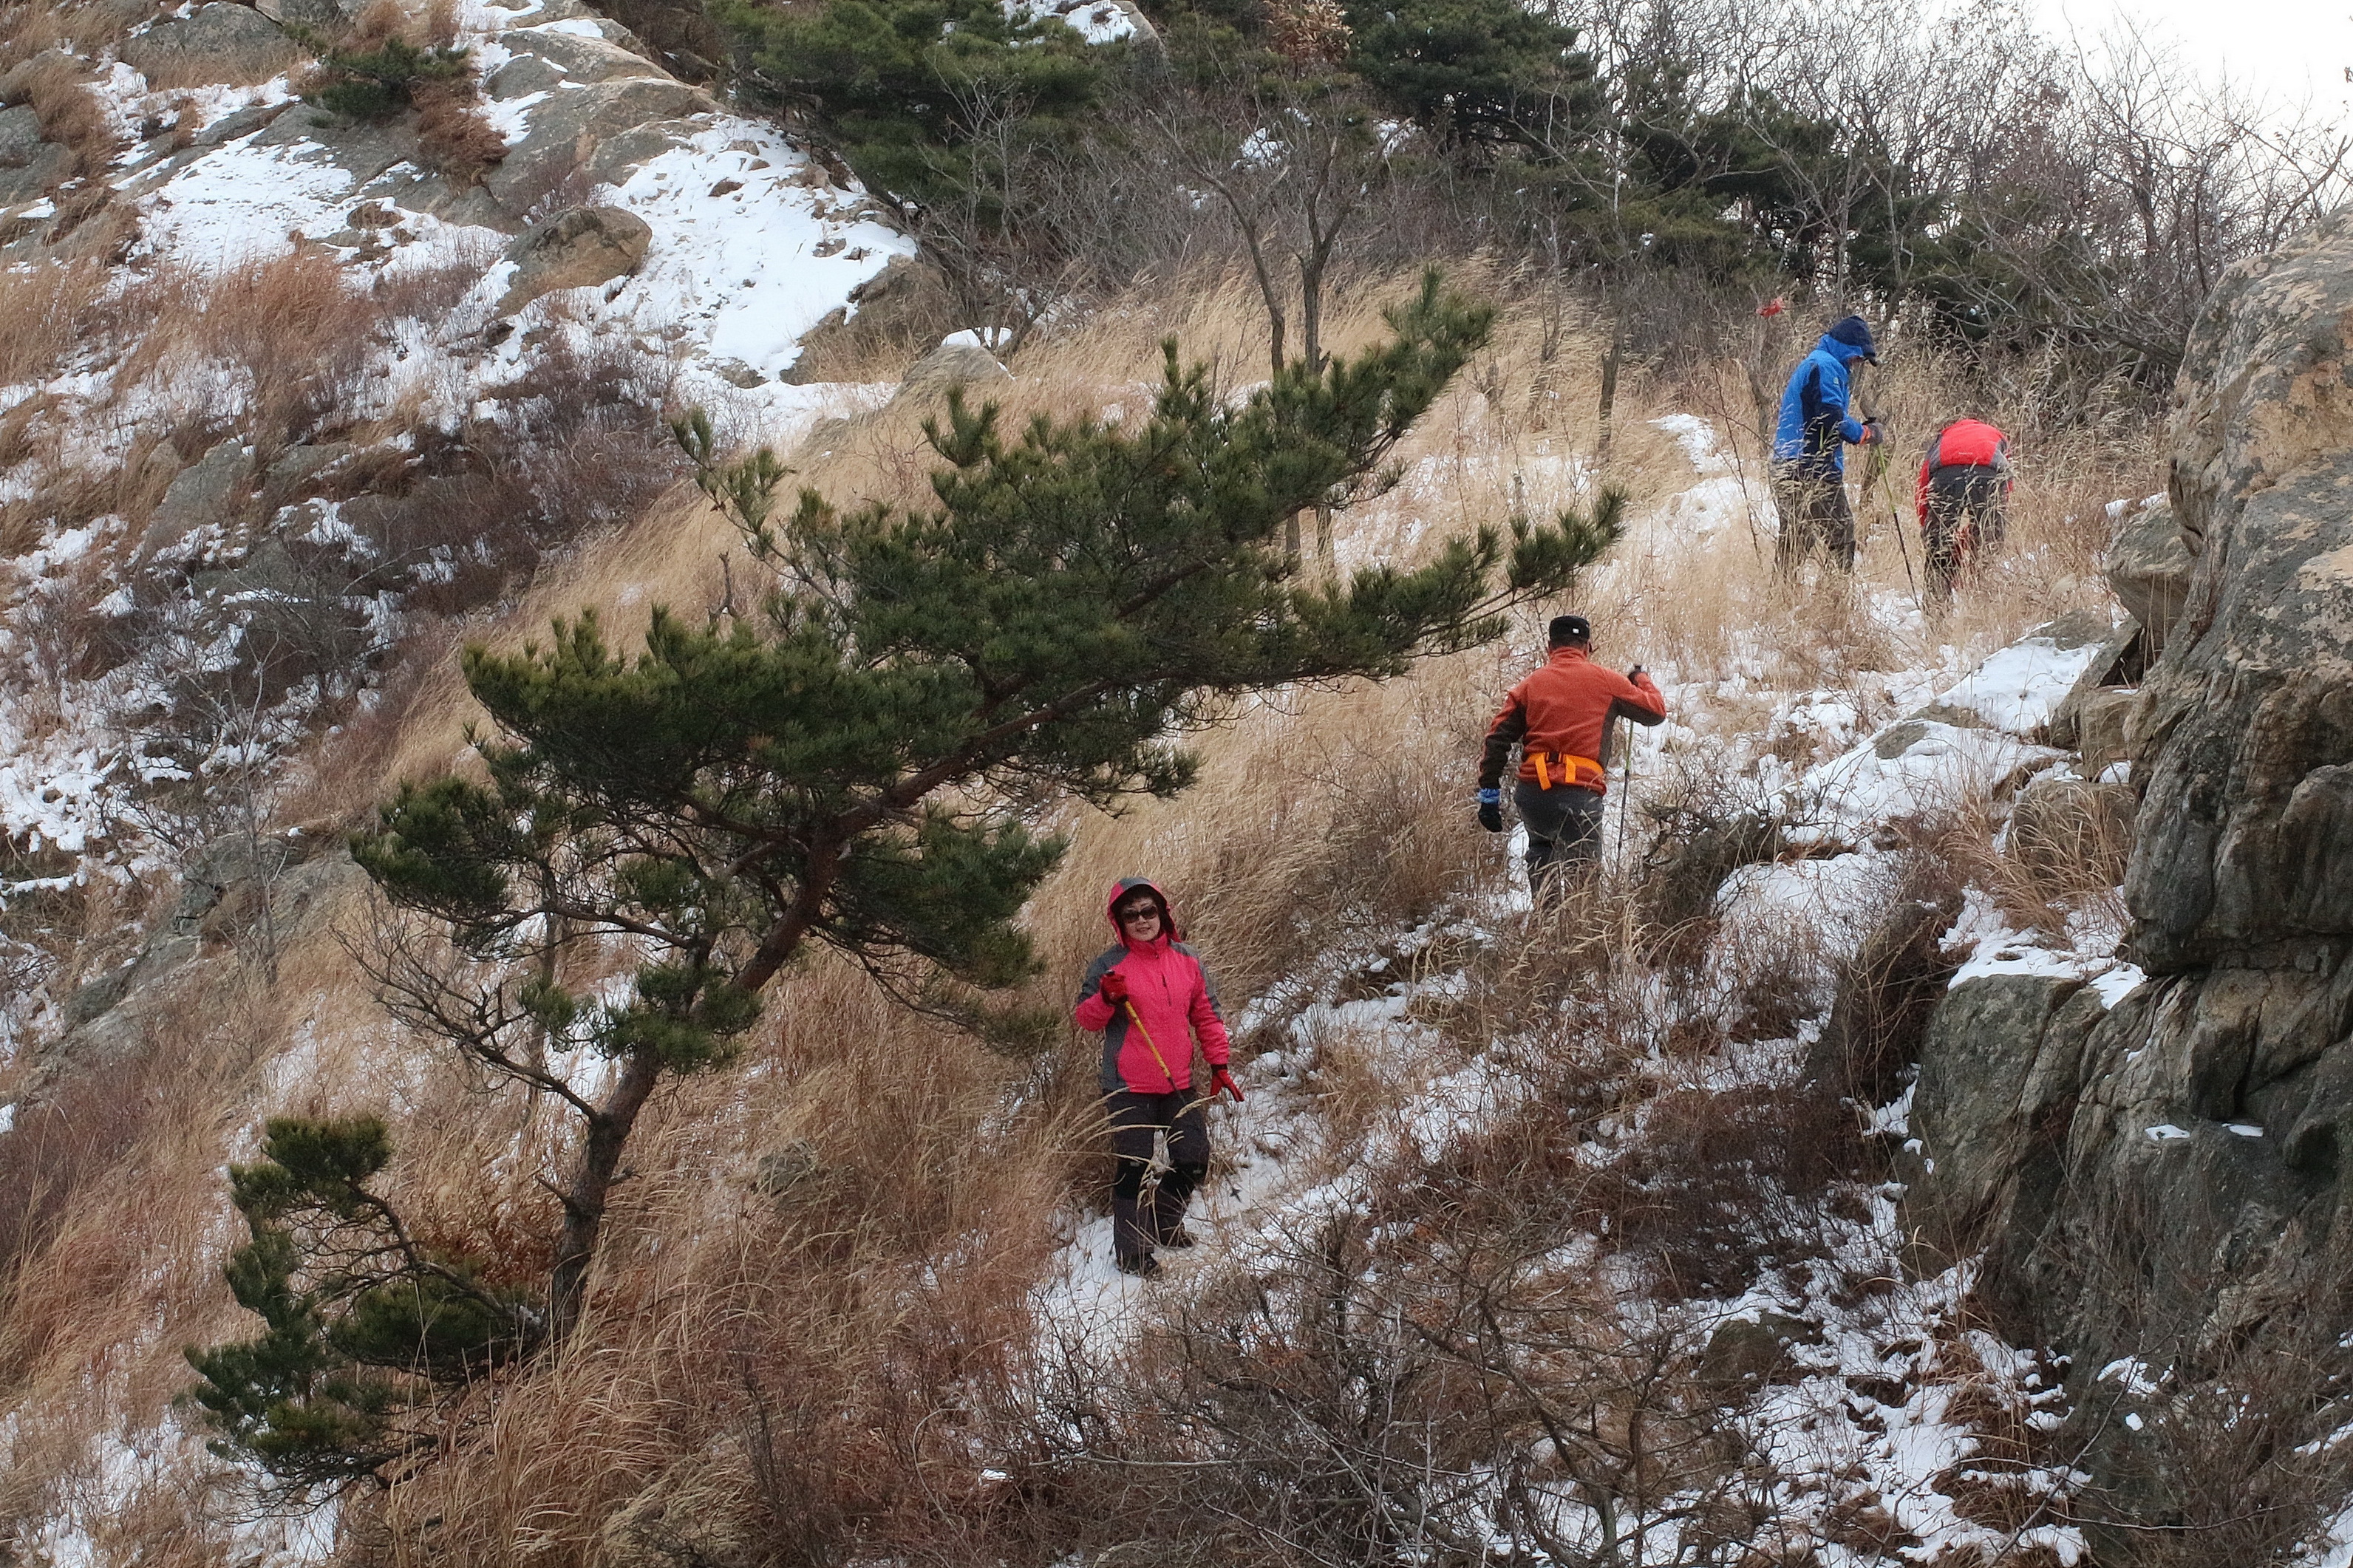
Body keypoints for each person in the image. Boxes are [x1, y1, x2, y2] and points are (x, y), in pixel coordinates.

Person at [1074, 878, 1243, 1278]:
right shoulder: (1107, 967)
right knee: (1133, 1166)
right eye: (1130, 915)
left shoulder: (1187, 960)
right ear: (1119, 922)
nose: (1142, 920)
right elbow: (1086, 1019)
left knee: (1194, 1159)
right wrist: (1105, 998)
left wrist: (1219, 1064)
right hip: (1127, 1086)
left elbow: (1207, 1015)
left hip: (1178, 1082)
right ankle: (1132, 1254)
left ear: (1162, 913)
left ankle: (1164, 1223)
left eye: (1148, 911)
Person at [1477, 615, 1666, 901]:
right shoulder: (1607, 681)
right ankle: (1580, 936)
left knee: (1542, 857)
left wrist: (1489, 796)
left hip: (1533, 795)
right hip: (1580, 795)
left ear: (1549, 647)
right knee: (1584, 878)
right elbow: (1656, 711)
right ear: (1587, 647)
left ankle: (1545, 932)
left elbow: (1496, 739)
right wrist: (1641, 680)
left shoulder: (1528, 686)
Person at [1771, 314, 1884, 574]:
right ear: (1849, 349)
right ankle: (1837, 599)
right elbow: (1830, 418)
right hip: (1811, 466)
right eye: (1859, 357)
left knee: (1797, 538)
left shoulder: (1814, 363)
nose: (1858, 364)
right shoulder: (1827, 366)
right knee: (1841, 537)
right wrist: (1866, 433)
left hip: (1786, 463)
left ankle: (1780, 597)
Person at [1915, 417, 2012, 601]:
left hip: (1946, 476)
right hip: (1988, 475)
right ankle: (1982, 596)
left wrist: (1929, 528)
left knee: (1939, 550)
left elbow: (1923, 487)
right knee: (1988, 543)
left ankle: (1937, 613)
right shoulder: (1997, 436)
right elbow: (2007, 484)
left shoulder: (1943, 437)